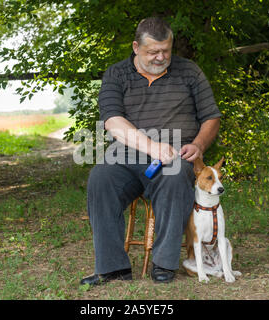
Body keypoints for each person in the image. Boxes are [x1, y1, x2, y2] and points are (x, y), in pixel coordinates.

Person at [80, 17, 221, 286]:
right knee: (101, 178)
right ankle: (113, 268)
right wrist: (151, 146)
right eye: (152, 52)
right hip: (127, 155)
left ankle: (163, 264)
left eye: (165, 51)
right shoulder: (116, 74)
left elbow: (211, 117)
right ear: (135, 47)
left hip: (177, 157)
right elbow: (113, 122)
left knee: (175, 175)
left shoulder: (189, 72)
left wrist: (199, 145)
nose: (160, 57)